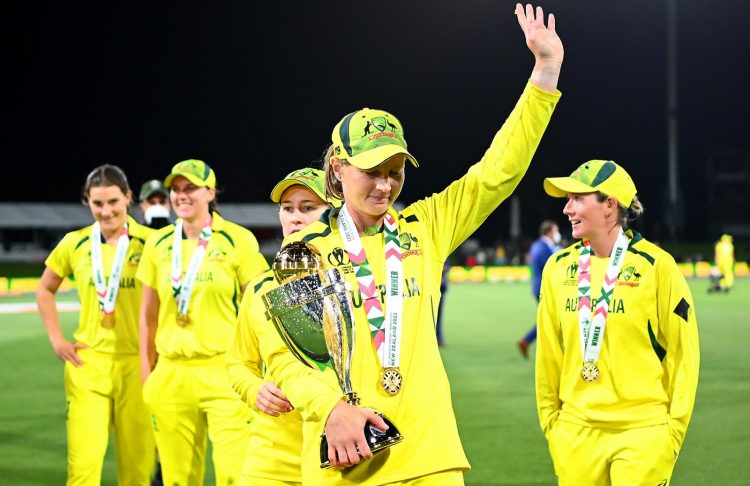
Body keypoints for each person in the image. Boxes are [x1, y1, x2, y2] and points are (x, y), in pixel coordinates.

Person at [238, 4, 563, 483]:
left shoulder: (425, 227)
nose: (385, 186)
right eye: (371, 172)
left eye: (395, 172)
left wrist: (545, 72)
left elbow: (496, 174)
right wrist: (328, 408)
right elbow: (286, 356)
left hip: (430, 457)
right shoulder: (300, 253)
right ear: (337, 169)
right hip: (347, 459)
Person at [535, 160, 700, 485]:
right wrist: (554, 427)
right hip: (575, 436)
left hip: (642, 435)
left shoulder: (657, 267)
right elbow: (548, 357)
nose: (567, 209)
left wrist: (672, 434)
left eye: (577, 198)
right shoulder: (557, 269)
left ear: (609, 205)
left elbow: (684, 356)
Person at [136, 159, 269, 485]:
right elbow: (148, 314)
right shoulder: (157, 244)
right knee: (177, 478)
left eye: (191, 188)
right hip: (171, 373)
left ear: (210, 192)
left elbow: (260, 310)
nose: (181, 195)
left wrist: (260, 370)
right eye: (176, 189)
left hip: (225, 373)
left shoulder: (238, 240)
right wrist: (146, 372)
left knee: (234, 475)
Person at [36, 164, 156, 485]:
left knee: (137, 471)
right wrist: (57, 340)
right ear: (87, 202)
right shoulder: (74, 244)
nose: (106, 211)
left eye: (113, 202)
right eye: (98, 203)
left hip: (138, 366)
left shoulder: (153, 243)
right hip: (88, 365)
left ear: (128, 198)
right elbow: (45, 289)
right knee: (83, 469)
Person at [227, 167, 337, 485]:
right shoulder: (261, 287)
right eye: (287, 208)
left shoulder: (356, 281)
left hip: (336, 452)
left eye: (308, 208)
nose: (295, 218)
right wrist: (255, 389)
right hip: (271, 457)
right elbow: (238, 362)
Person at [517, 220, 561, 358]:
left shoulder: (537, 245)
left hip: (538, 287)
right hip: (544, 288)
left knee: (549, 319)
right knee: (550, 319)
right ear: (549, 232)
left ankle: (527, 341)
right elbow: (550, 269)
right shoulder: (544, 248)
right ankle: (528, 341)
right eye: (556, 230)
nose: (557, 233)